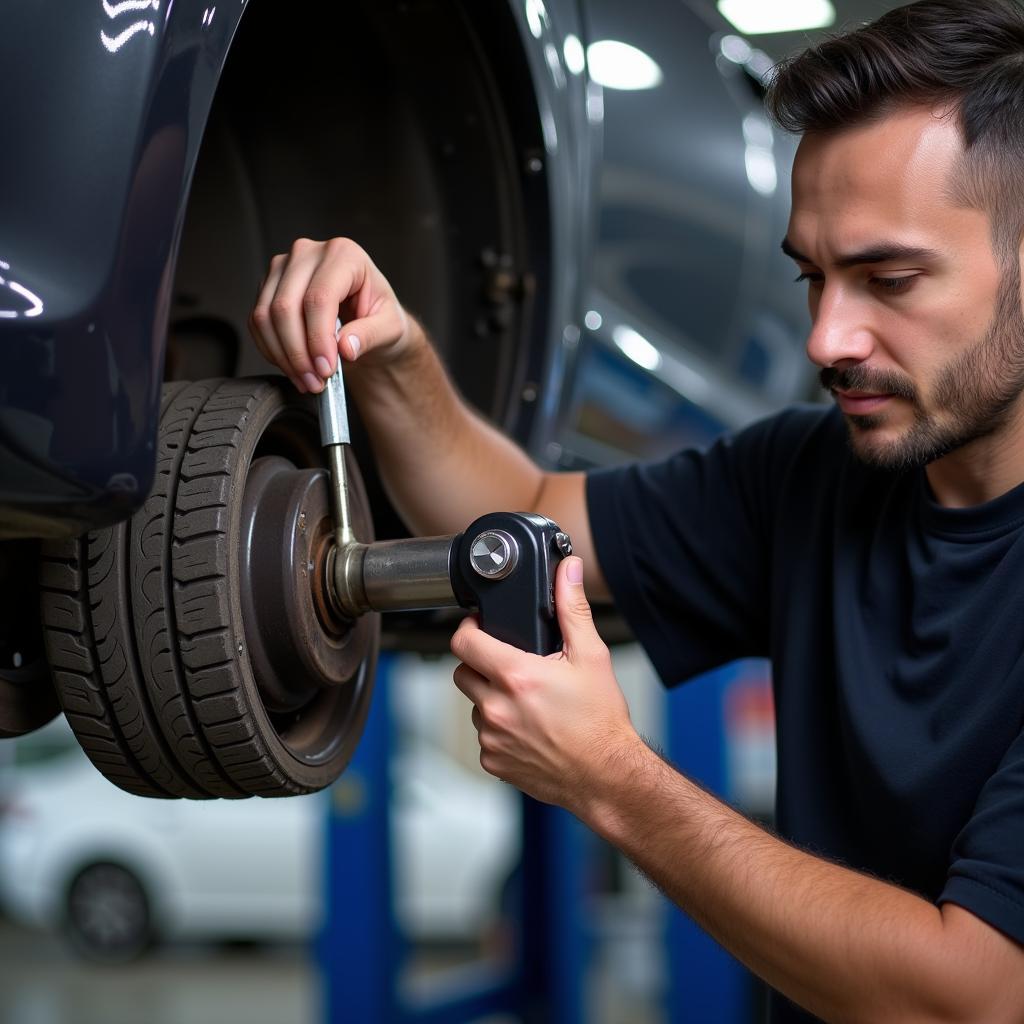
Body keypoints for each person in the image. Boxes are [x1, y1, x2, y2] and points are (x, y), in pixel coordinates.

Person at [248, 1, 1024, 1018]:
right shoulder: (810, 473)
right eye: (812, 277)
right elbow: (523, 508)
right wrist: (393, 357)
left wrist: (615, 778)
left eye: (889, 278)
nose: (827, 337)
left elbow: (970, 997)